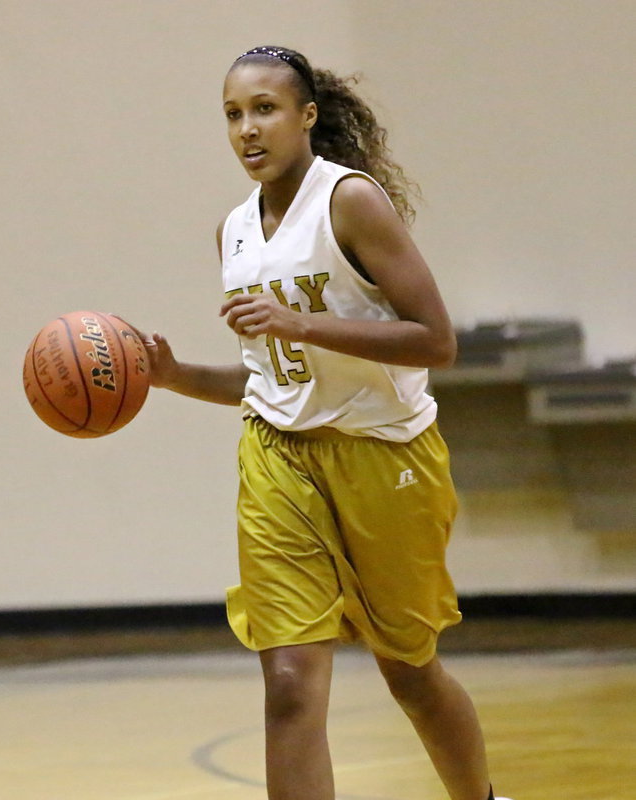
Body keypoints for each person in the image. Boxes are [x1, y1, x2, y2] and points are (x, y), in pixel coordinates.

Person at [141, 45, 513, 800]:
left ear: (306, 117)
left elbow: (435, 341)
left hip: (384, 455)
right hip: (278, 459)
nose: (247, 129)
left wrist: (300, 323)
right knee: (288, 681)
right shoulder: (234, 233)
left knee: (408, 671)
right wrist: (175, 376)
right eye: (232, 115)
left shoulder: (348, 201)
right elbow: (271, 380)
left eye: (264, 110)